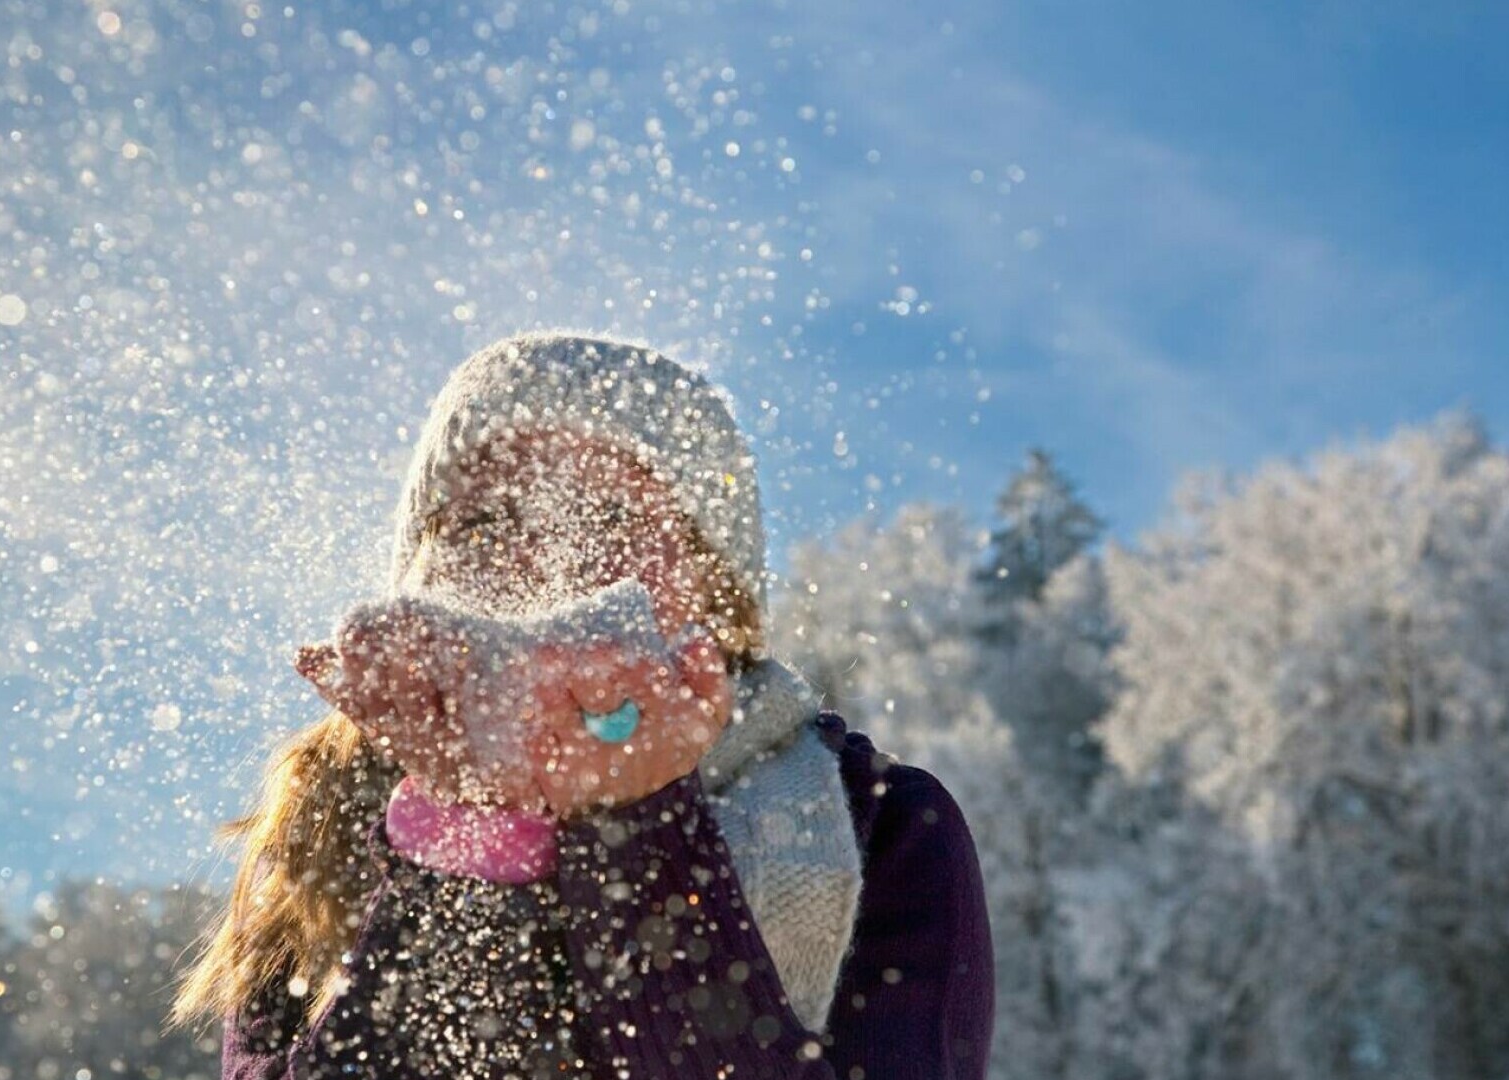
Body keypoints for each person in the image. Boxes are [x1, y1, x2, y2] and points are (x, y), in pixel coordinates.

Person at [170, 331, 994, 1078]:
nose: (540, 555)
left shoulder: (877, 822)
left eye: (604, 515)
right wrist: (470, 828)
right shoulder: (333, 818)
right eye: (486, 523)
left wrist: (636, 821)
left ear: (716, 594)